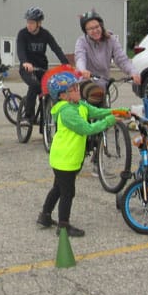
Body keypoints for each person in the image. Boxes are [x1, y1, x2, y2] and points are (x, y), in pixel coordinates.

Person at [36, 71, 126, 237]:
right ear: (63, 96)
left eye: (77, 87)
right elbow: (87, 128)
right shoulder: (67, 112)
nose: (79, 90)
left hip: (68, 159)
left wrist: (116, 111)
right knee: (67, 193)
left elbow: (96, 112)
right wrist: (109, 121)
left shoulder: (80, 105)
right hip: (64, 159)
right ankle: (63, 226)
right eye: (74, 89)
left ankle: (45, 216)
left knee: (57, 188)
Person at [74, 10, 140, 106]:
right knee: (96, 96)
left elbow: (121, 59)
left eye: (97, 27)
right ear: (85, 31)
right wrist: (83, 70)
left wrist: (133, 72)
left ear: (101, 26)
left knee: (105, 114)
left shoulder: (111, 40)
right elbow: (80, 58)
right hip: (86, 80)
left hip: (103, 81)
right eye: (90, 29)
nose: (95, 30)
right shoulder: (81, 42)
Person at [16, 6, 69, 124]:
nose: (29, 25)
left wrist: (65, 63)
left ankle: (45, 122)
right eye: (28, 22)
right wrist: (25, 62)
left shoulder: (45, 34)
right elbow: (20, 50)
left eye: (32, 22)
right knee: (34, 86)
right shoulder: (23, 34)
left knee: (50, 89)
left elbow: (56, 48)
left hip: (42, 68)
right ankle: (28, 116)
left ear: (39, 23)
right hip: (27, 68)